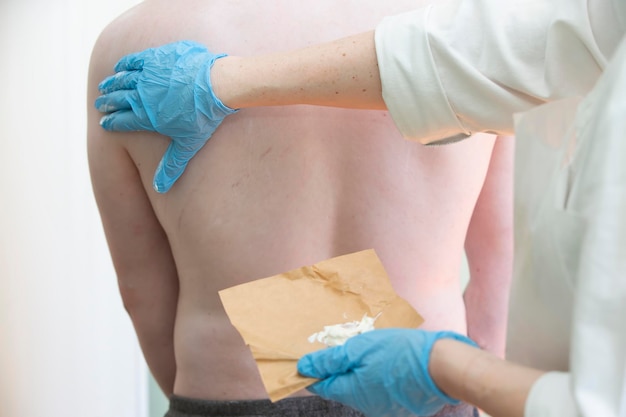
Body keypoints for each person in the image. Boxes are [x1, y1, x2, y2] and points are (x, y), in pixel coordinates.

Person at [93, 0, 626, 416]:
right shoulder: (478, 25)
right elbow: (496, 282)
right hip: (428, 388)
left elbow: (143, 295)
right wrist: (467, 387)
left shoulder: (135, 47)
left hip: (227, 390)